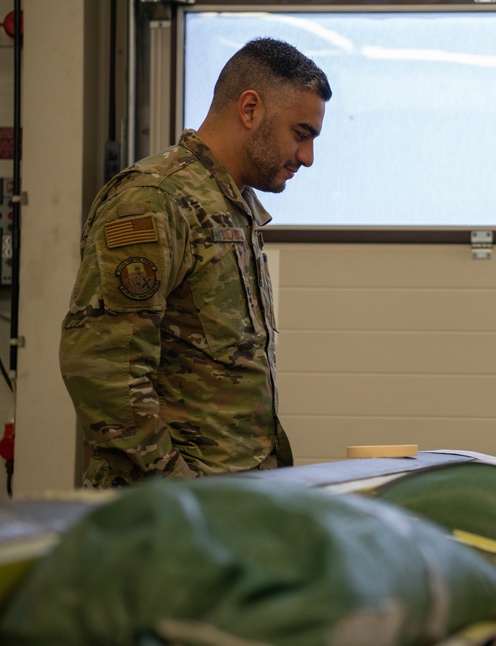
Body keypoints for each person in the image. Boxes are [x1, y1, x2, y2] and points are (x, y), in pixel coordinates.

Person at [59, 38, 332, 488]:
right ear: (249, 109)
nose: (307, 157)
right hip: (166, 519)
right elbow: (104, 374)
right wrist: (180, 496)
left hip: (228, 502)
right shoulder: (154, 200)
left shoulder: (234, 205)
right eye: (301, 134)